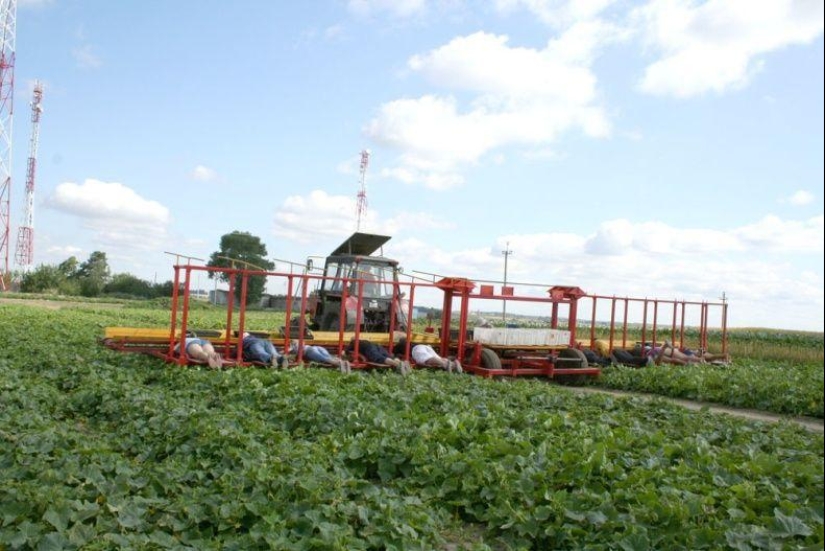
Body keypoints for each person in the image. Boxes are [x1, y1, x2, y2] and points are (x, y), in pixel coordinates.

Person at [392, 334, 462, 373]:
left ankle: (445, 365)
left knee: (428, 359)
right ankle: (453, 364)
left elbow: (393, 355)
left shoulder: (398, 345)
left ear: (400, 341)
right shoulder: (410, 343)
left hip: (416, 349)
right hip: (425, 346)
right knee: (438, 358)